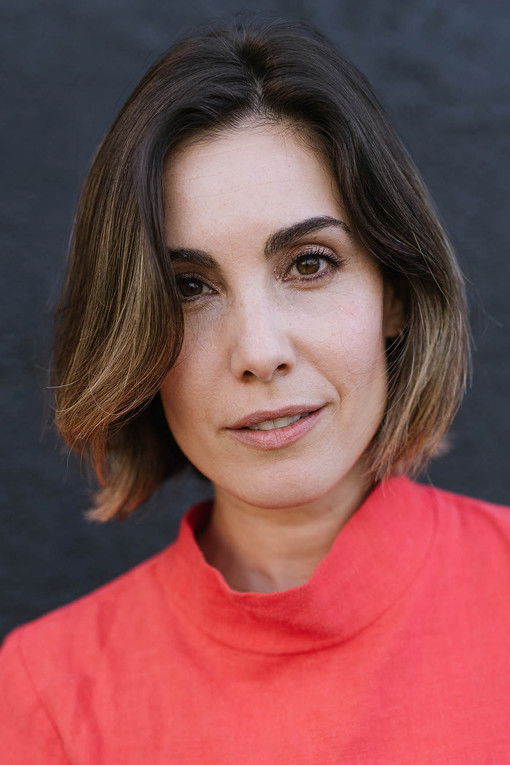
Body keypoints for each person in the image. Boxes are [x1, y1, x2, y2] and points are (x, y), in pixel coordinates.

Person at [1, 16, 509, 763]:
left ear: (395, 293)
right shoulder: (47, 691)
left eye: (309, 264)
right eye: (188, 287)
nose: (260, 352)